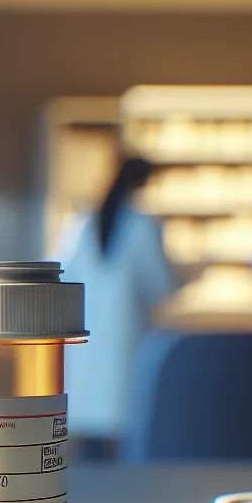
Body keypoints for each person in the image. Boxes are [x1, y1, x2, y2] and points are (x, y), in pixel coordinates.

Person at [60, 156, 181, 460]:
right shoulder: (142, 226)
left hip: (86, 343)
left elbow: (61, 273)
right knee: (127, 444)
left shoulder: (83, 222)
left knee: (90, 447)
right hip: (127, 340)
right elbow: (161, 286)